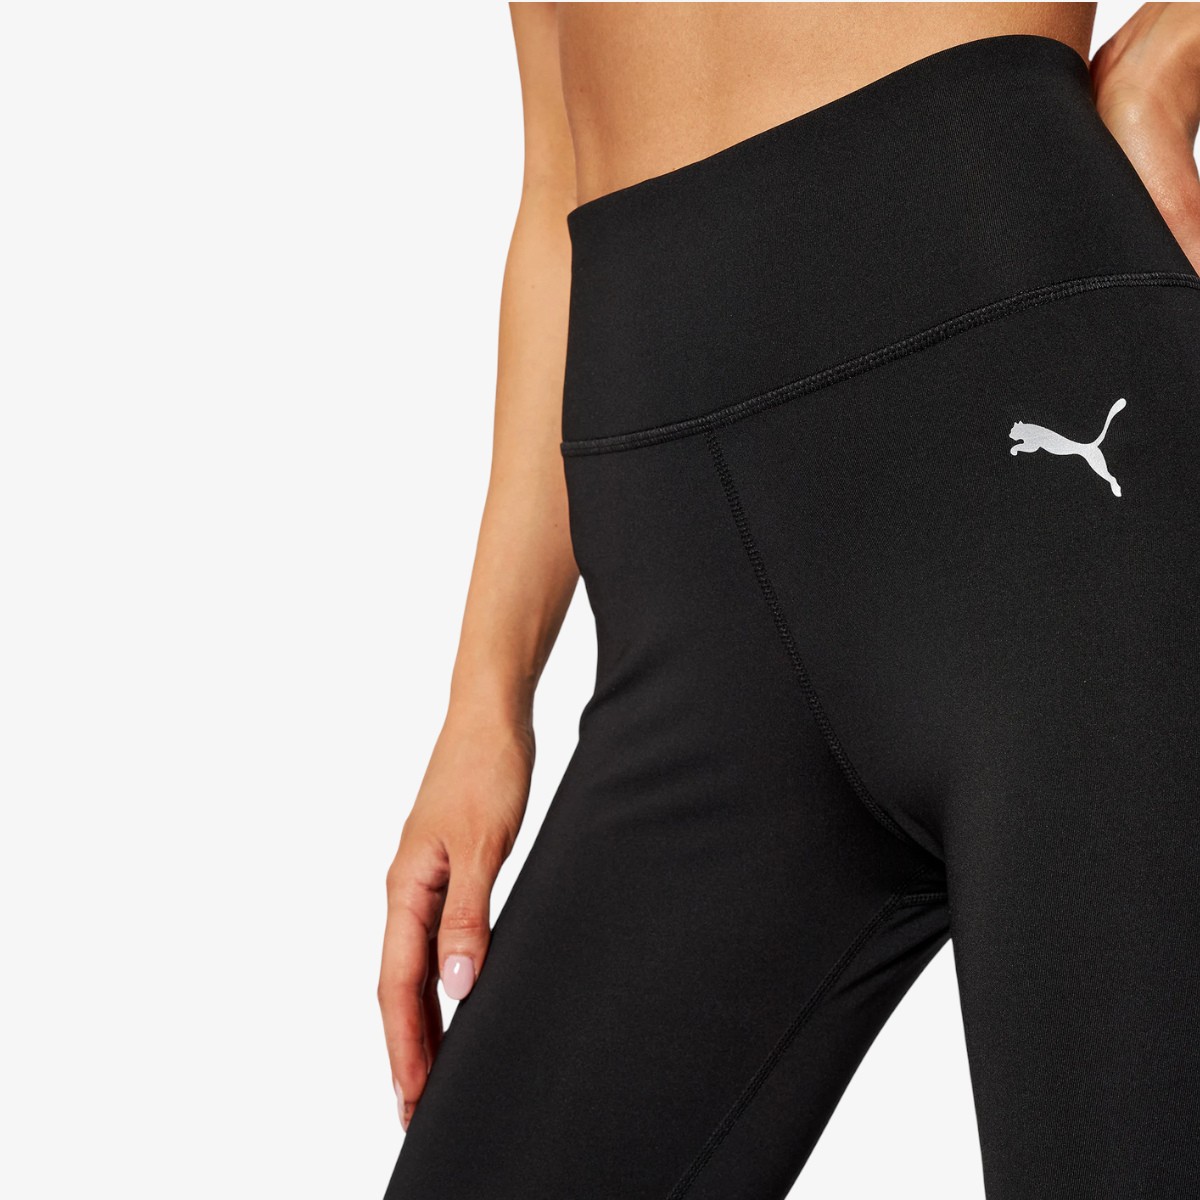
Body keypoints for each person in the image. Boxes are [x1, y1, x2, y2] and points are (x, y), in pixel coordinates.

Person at [380, 4, 1200, 1196]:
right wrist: (485, 699)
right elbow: (560, 175)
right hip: (686, 604)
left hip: (1028, 466)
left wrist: (1171, 60)